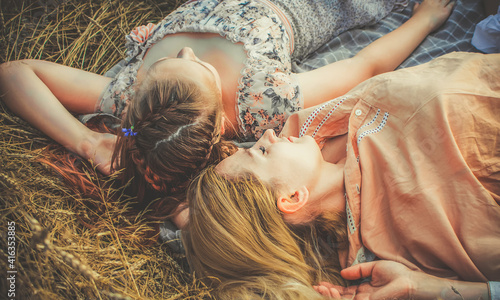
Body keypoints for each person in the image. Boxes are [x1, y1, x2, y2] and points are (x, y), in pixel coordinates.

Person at [0, 0, 455, 223]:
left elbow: (13, 73)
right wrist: (425, 20)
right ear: (223, 122)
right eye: (191, 66)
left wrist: (90, 140)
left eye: (170, 60)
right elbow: (364, 65)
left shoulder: (129, 98)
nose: (184, 52)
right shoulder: (260, 102)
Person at [182, 52, 500, 300]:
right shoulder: (403, 230)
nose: (266, 135)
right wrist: (420, 287)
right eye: (262, 152)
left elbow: (228, 223)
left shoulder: (307, 130)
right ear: (292, 198)